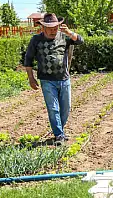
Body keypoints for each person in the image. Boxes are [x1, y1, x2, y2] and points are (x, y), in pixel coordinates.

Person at [24, 13, 83, 146]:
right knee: (53, 108)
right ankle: (59, 135)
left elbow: (80, 40)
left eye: (55, 27)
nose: (53, 30)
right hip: (46, 80)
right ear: (43, 28)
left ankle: (59, 130)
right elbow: (28, 59)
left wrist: (68, 32)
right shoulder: (36, 40)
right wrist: (31, 78)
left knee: (66, 108)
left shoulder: (64, 37)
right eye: (50, 28)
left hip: (64, 78)